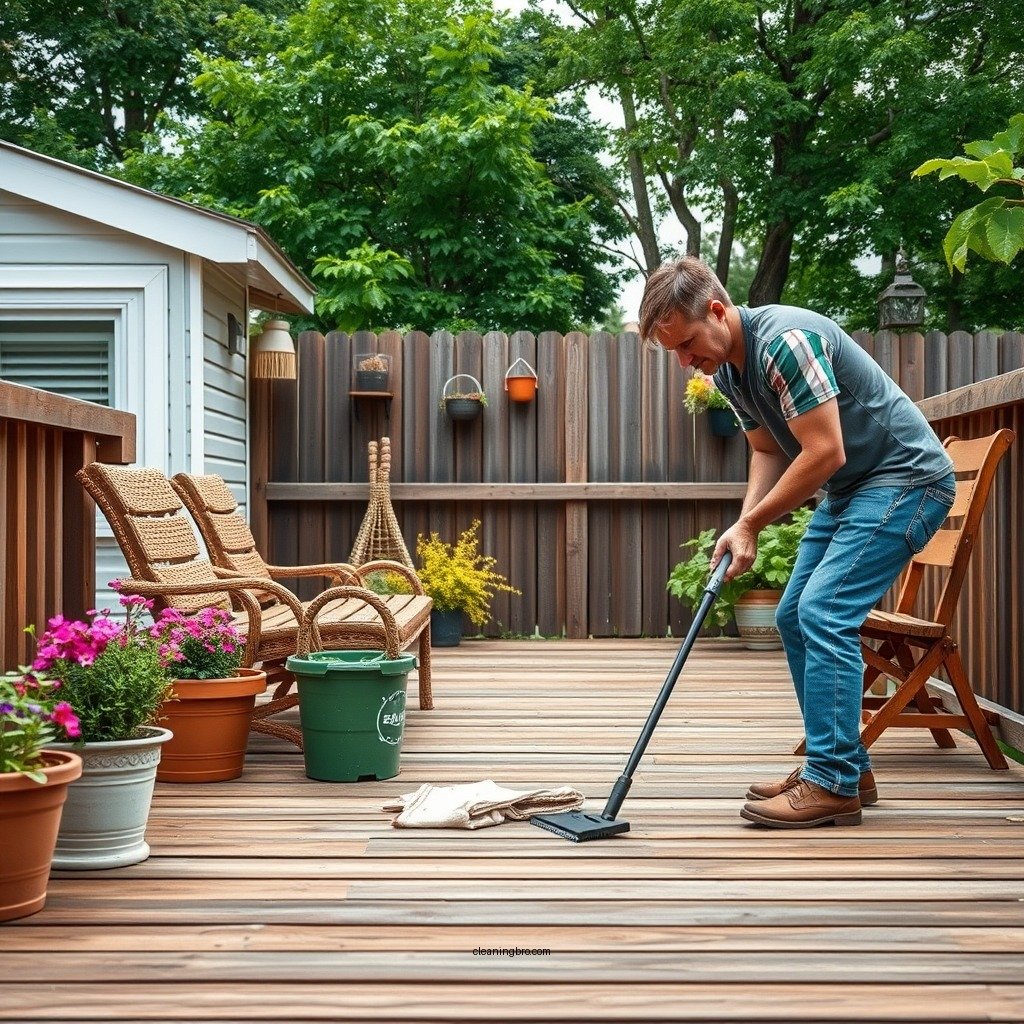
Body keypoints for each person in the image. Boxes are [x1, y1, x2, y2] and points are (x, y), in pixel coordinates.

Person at [639, 257, 955, 829]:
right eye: (676, 354)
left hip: (905, 479)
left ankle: (830, 781)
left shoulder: (786, 341)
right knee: (793, 616)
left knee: (824, 611)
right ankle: (843, 764)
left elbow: (824, 451)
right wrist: (743, 528)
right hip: (853, 489)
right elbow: (767, 450)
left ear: (717, 310)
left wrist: (754, 524)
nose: (686, 362)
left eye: (687, 344)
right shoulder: (731, 373)